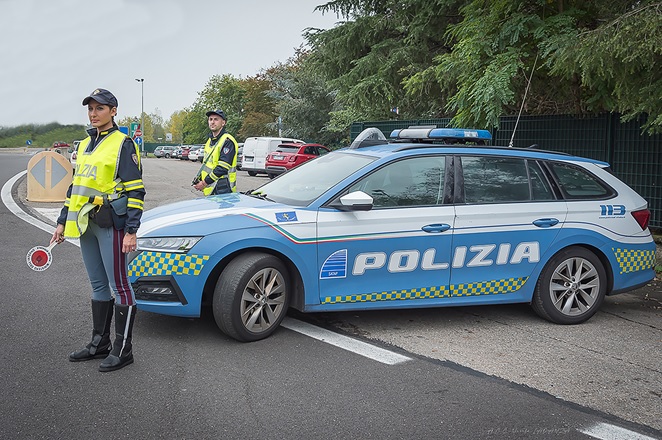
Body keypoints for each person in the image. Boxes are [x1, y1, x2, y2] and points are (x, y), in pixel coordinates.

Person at [51, 88, 145, 372]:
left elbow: (136, 190)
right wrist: (61, 221)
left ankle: (123, 348)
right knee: (97, 285)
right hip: (86, 224)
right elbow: (74, 188)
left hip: (110, 223)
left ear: (113, 111)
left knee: (120, 285)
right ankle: (98, 343)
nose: (93, 114)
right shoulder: (82, 145)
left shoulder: (123, 143)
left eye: (99, 109)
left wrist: (131, 230)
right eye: (90, 109)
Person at [193, 109, 239, 195]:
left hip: (223, 188)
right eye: (210, 119)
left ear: (223, 123)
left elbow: (222, 168)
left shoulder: (227, 141)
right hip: (211, 189)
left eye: (216, 119)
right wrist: (200, 179)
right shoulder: (210, 141)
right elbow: (207, 165)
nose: (212, 122)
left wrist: (204, 183)